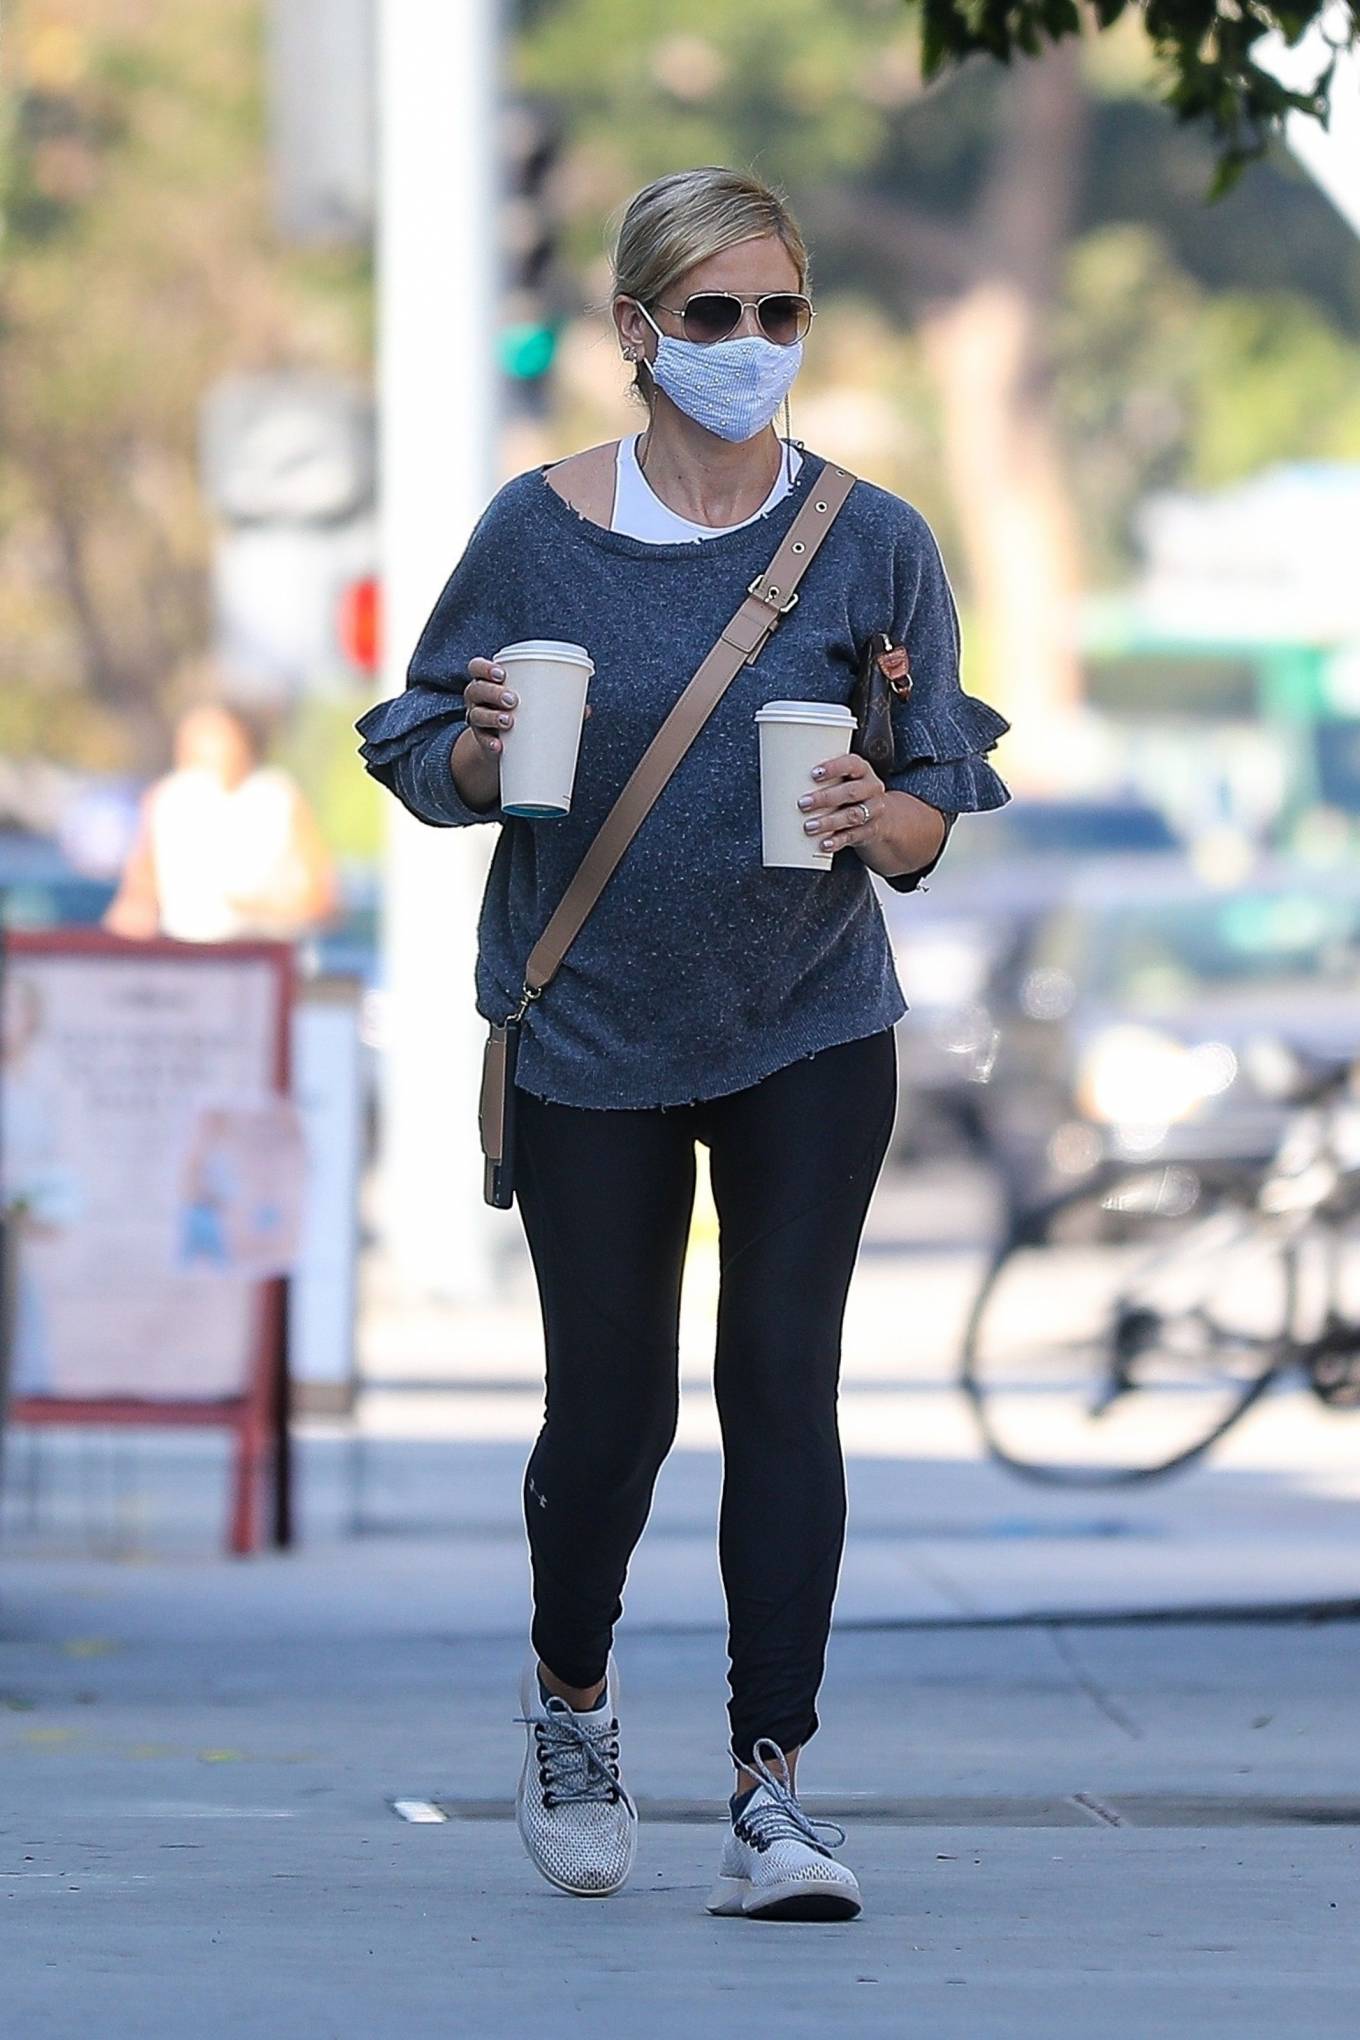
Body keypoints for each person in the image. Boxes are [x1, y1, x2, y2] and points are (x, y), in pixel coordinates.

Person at [357, 167, 1011, 1921]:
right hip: (592, 1024)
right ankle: (573, 1691)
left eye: (780, 313)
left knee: (785, 1383)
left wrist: (888, 816)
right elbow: (418, 751)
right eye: (710, 316)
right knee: (617, 1413)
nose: (748, 347)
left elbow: (944, 786)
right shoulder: (534, 530)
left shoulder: (873, 537)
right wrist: (486, 756)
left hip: (808, 1019)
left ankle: (770, 1790)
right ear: (636, 334)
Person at [104, 700, 337, 944]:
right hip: (186, 954)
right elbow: (140, 887)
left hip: (261, 955)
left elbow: (320, 898)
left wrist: (253, 908)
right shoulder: (167, 800)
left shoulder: (279, 797)